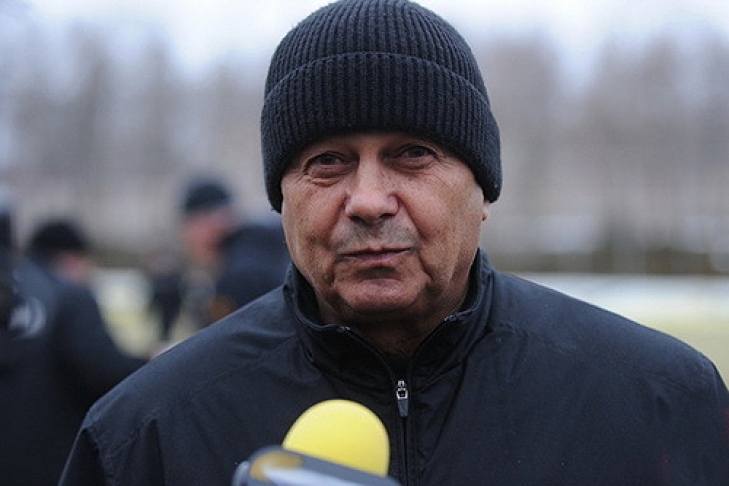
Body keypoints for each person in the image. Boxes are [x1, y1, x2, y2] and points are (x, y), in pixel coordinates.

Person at [60, 1, 729, 485]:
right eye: (327, 161)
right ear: (281, 199)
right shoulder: (144, 434)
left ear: (482, 190)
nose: (369, 200)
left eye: (412, 154)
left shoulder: (659, 402)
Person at [0, 217, 147, 486]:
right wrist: (154, 365)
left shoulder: (15, 294)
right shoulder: (68, 298)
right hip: (53, 460)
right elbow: (104, 370)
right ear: (72, 259)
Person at [163, 176, 290, 335]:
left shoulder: (240, 276)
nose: (186, 238)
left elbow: (231, 341)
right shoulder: (261, 250)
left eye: (189, 226)